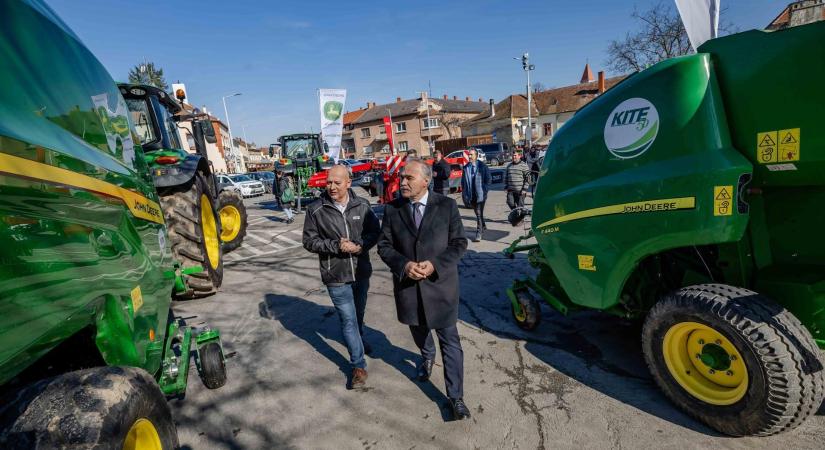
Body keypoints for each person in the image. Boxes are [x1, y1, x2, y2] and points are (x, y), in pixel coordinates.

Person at [377, 158, 472, 420]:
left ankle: (456, 397)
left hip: (441, 287)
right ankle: (427, 355)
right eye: (402, 177)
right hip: (408, 287)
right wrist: (404, 265)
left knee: (450, 341)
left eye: (409, 178)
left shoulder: (447, 206)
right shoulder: (393, 209)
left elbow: (459, 243)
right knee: (418, 330)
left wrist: (435, 265)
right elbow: (384, 246)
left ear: (426, 180)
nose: (402, 182)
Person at [303, 165, 381, 389]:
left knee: (358, 314)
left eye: (337, 183)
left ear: (348, 182)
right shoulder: (316, 209)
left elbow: (375, 233)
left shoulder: (362, 205)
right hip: (335, 273)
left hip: (361, 271)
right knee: (348, 319)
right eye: (329, 182)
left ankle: (359, 339)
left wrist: (360, 246)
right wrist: (336, 245)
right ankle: (358, 366)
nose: (332, 187)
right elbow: (309, 241)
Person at [460, 148, 491, 242]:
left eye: (471, 155)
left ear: (476, 156)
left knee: (478, 213)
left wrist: (484, 190)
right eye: (469, 154)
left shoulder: (482, 166)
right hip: (471, 195)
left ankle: (479, 232)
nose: (469, 156)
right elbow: (463, 182)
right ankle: (483, 224)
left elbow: (488, 180)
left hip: (481, 195)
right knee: (478, 213)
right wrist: (464, 193)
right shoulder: (466, 168)